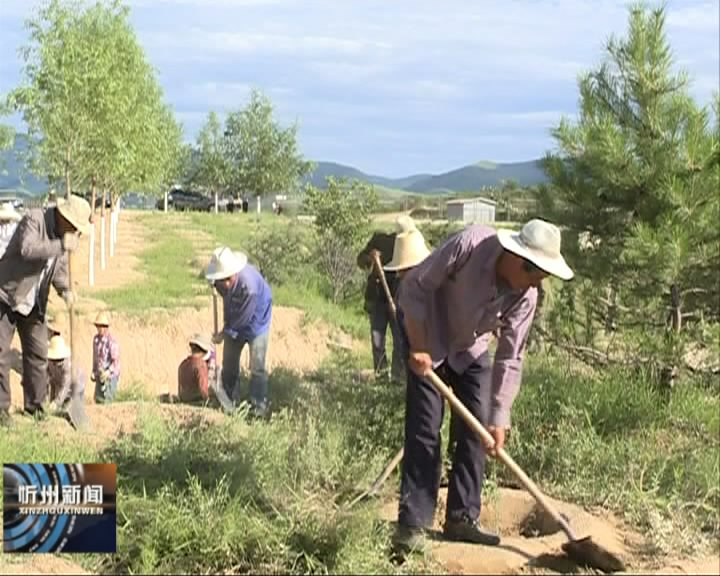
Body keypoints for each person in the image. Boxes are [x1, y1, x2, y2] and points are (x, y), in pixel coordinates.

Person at [392, 218, 574, 555]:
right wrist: (417, 345)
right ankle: (412, 526)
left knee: (478, 426)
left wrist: (500, 415)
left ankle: (462, 518)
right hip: (428, 334)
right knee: (425, 430)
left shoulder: (527, 295)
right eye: (535, 275)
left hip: (470, 348)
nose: (536, 284)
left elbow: (511, 355)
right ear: (518, 259)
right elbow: (415, 287)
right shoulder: (469, 245)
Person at [0, 194, 90, 425]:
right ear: (63, 218)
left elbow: (58, 269)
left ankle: (35, 407)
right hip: (7, 295)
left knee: (38, 355)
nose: (76, 233)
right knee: (0, 354)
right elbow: (27, 250)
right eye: (75, 227)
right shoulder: (34, 219)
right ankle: (1, 410)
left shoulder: (62, 237)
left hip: (33, 303)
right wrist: (60, 245)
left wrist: (65, 290)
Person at [205, 246, 272, 419]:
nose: (222, 284)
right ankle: (230, 403)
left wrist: (223, 333)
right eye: (219, 279)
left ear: (232, 274)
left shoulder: (249, 287)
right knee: (229, 362)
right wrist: (226, 327)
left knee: (257, 367)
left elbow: (243, 319)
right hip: (236, 316)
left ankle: (258, 410)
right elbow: (229, 308)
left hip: (257, 320)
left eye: (224, 279)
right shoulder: (221, 283)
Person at [356, 216, 417, 383]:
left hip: (399, 300)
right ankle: (382, 379)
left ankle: (397, 380)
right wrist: (371, 258)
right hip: (378, 299)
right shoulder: (380, 240)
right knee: (378, 341)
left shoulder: (413, 248)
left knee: (400, 341)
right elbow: (360, 261)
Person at [177, 334, 217, 404]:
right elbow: (203, 389)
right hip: (195, 401)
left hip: (183, 399)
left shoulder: (183, 364)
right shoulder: (201, 365)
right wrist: (208, 401)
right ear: (205, 351)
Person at [91, 311, 120, 404]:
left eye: (103, 326)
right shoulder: (96, 340)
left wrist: (108, 372)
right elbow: (95, 358)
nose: (101, 329)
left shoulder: (111, 341)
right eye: (99, 326)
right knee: (98, 399)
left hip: (110, 375)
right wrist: (94, 371)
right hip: (100, 374)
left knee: (108, 400)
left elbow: (115, 361)